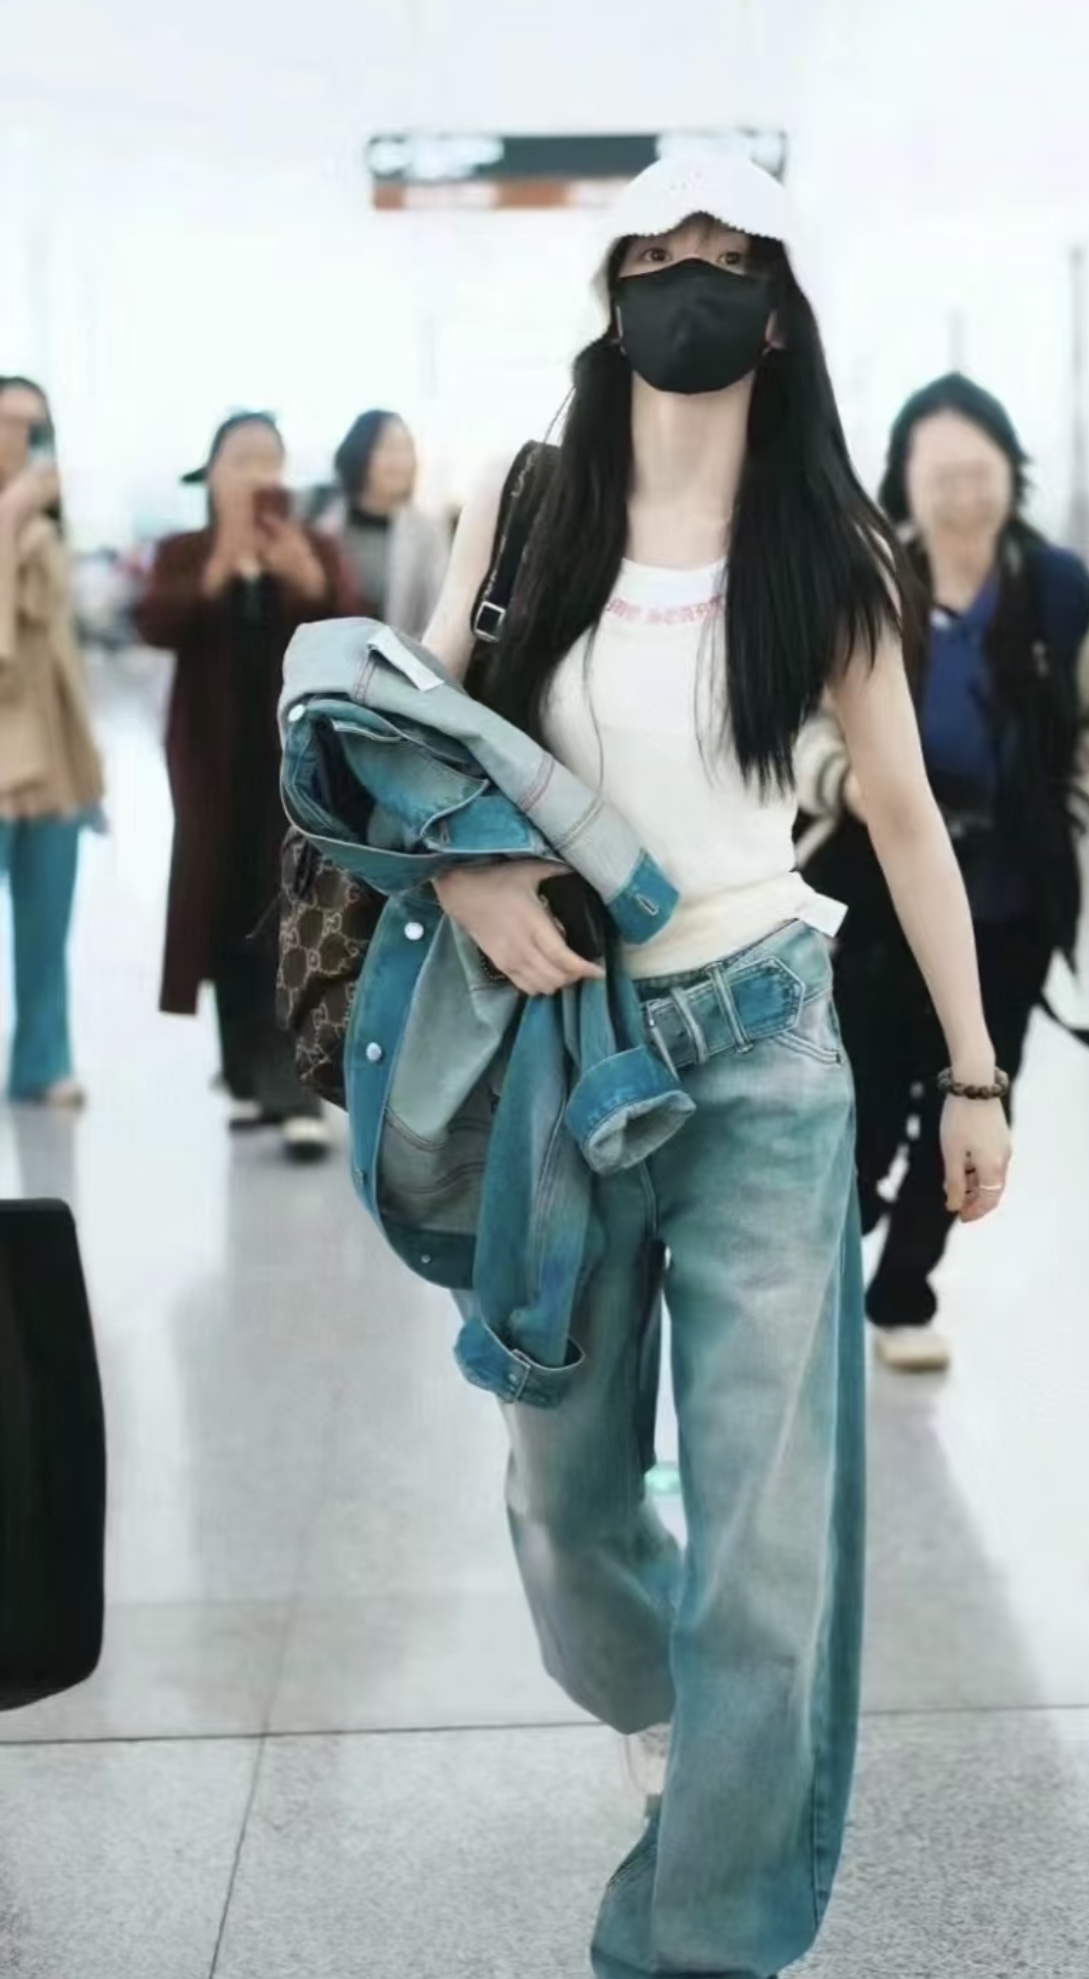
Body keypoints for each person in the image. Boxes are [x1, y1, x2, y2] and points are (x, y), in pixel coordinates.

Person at [420, 155, 1012, 1979]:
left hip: (764, 1053)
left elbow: (902, 820)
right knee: (563, 1504)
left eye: (726, 255)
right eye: (659, 252)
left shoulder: (827, 552)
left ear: (772, 310)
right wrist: (467, 870)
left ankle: (698, 1931)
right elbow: (412, 734)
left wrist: (975, 1072)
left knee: (763, 1551)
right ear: (613, 290)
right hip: (565, 1055)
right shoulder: (525, 504)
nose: (689, 278)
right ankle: (677, 1707)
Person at [798, 372, 1089, 1374]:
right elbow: (800, 716)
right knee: (862, 1100)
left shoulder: (1059, 591)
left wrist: (1074, 809)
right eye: (941, 474)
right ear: (904, 484)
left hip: (1008, 898)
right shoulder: (869, 585)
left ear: (1012, 472)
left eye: (981, 470)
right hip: (878, 889)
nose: (964, 493)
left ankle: (903, 1293)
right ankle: (822, 1279)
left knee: (976, 1095)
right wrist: (845, 784)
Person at [135, 413, 359, 1162]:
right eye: (241, 460)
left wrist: (305, 578)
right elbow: (156, 621)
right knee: (225, 912)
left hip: (294, 764)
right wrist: (222, 562)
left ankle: (296, 1089)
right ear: (210, 474)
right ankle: (244, 1076)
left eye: (270, 460)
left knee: (289, 913)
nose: (258, 475)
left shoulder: (312, 544)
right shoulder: (185, 549)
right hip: (209, 762)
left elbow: (353, 626)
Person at [0, 375, 105, 1107]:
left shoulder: (50, 530)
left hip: (55, 757)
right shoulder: (19, 520)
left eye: (34, 425)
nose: (21, 438)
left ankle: (43, 1060)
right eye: (7, 421)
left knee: (47, 922)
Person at [312, 410, 449, 637]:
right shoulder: (324, 524)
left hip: (404, 655)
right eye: (388, 447)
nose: (401, 460)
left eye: (407, 448)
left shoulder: (428, 531)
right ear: (360, 452)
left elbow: (439, 614)